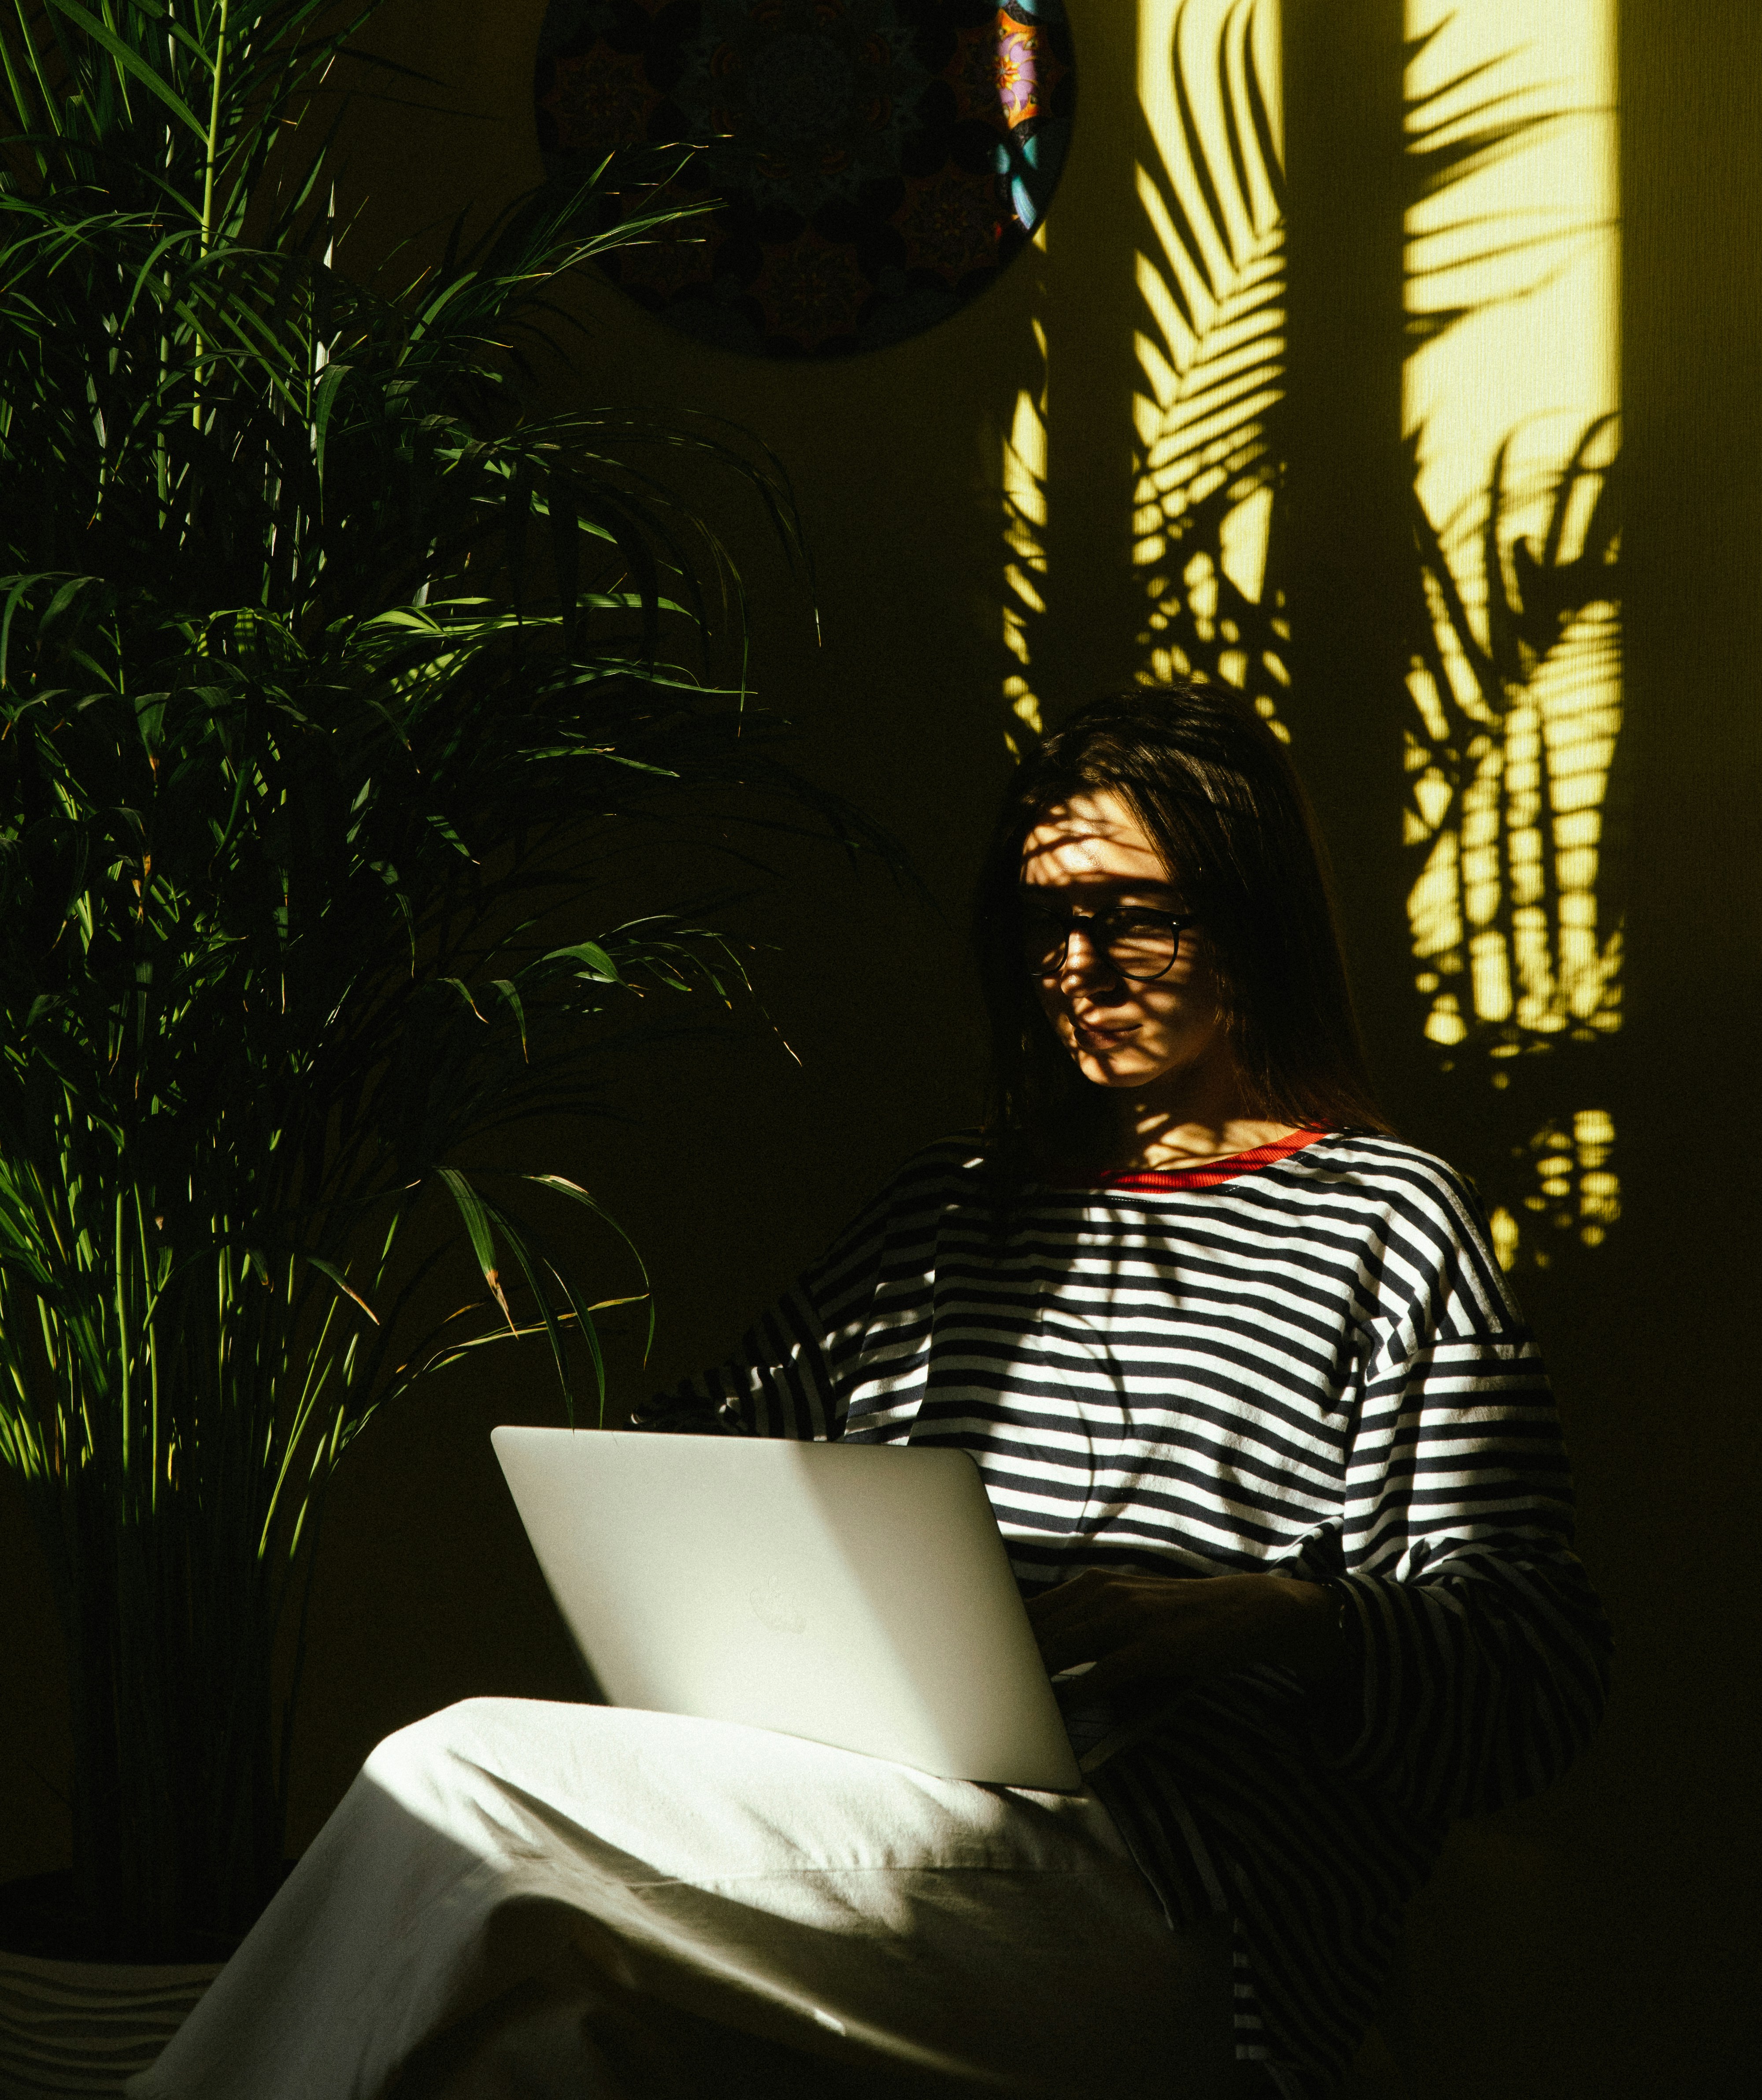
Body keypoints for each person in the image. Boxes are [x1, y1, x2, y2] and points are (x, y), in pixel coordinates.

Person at [132, 681, 1611, 2100]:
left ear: (1251, 921)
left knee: (455, 1774)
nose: (1078, 970)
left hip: (1176, 1894)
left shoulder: (1390, 1223)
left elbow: (1532, 1672)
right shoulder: (948, 1213)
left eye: (1133, 918)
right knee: (536, 2044)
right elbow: (708, 1447)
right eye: (1043, 926)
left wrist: (1280, 1615)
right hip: (874, 1813)